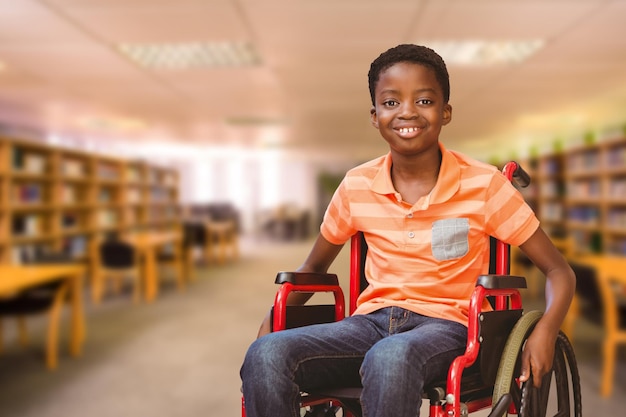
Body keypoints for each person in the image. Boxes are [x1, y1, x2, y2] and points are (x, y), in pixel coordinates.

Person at [240, 44, 575, 417]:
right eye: (391, 102)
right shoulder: (357, 185)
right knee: (266, 353)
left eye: (425, 101)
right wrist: (270, 325)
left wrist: (545, 330)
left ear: (445, 112)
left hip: (448, 328)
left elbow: (560, 271)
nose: (407, 112)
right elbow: (314, 267)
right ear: (375, 115)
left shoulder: (485, 185)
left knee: (391, 355)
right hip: (368, 323)